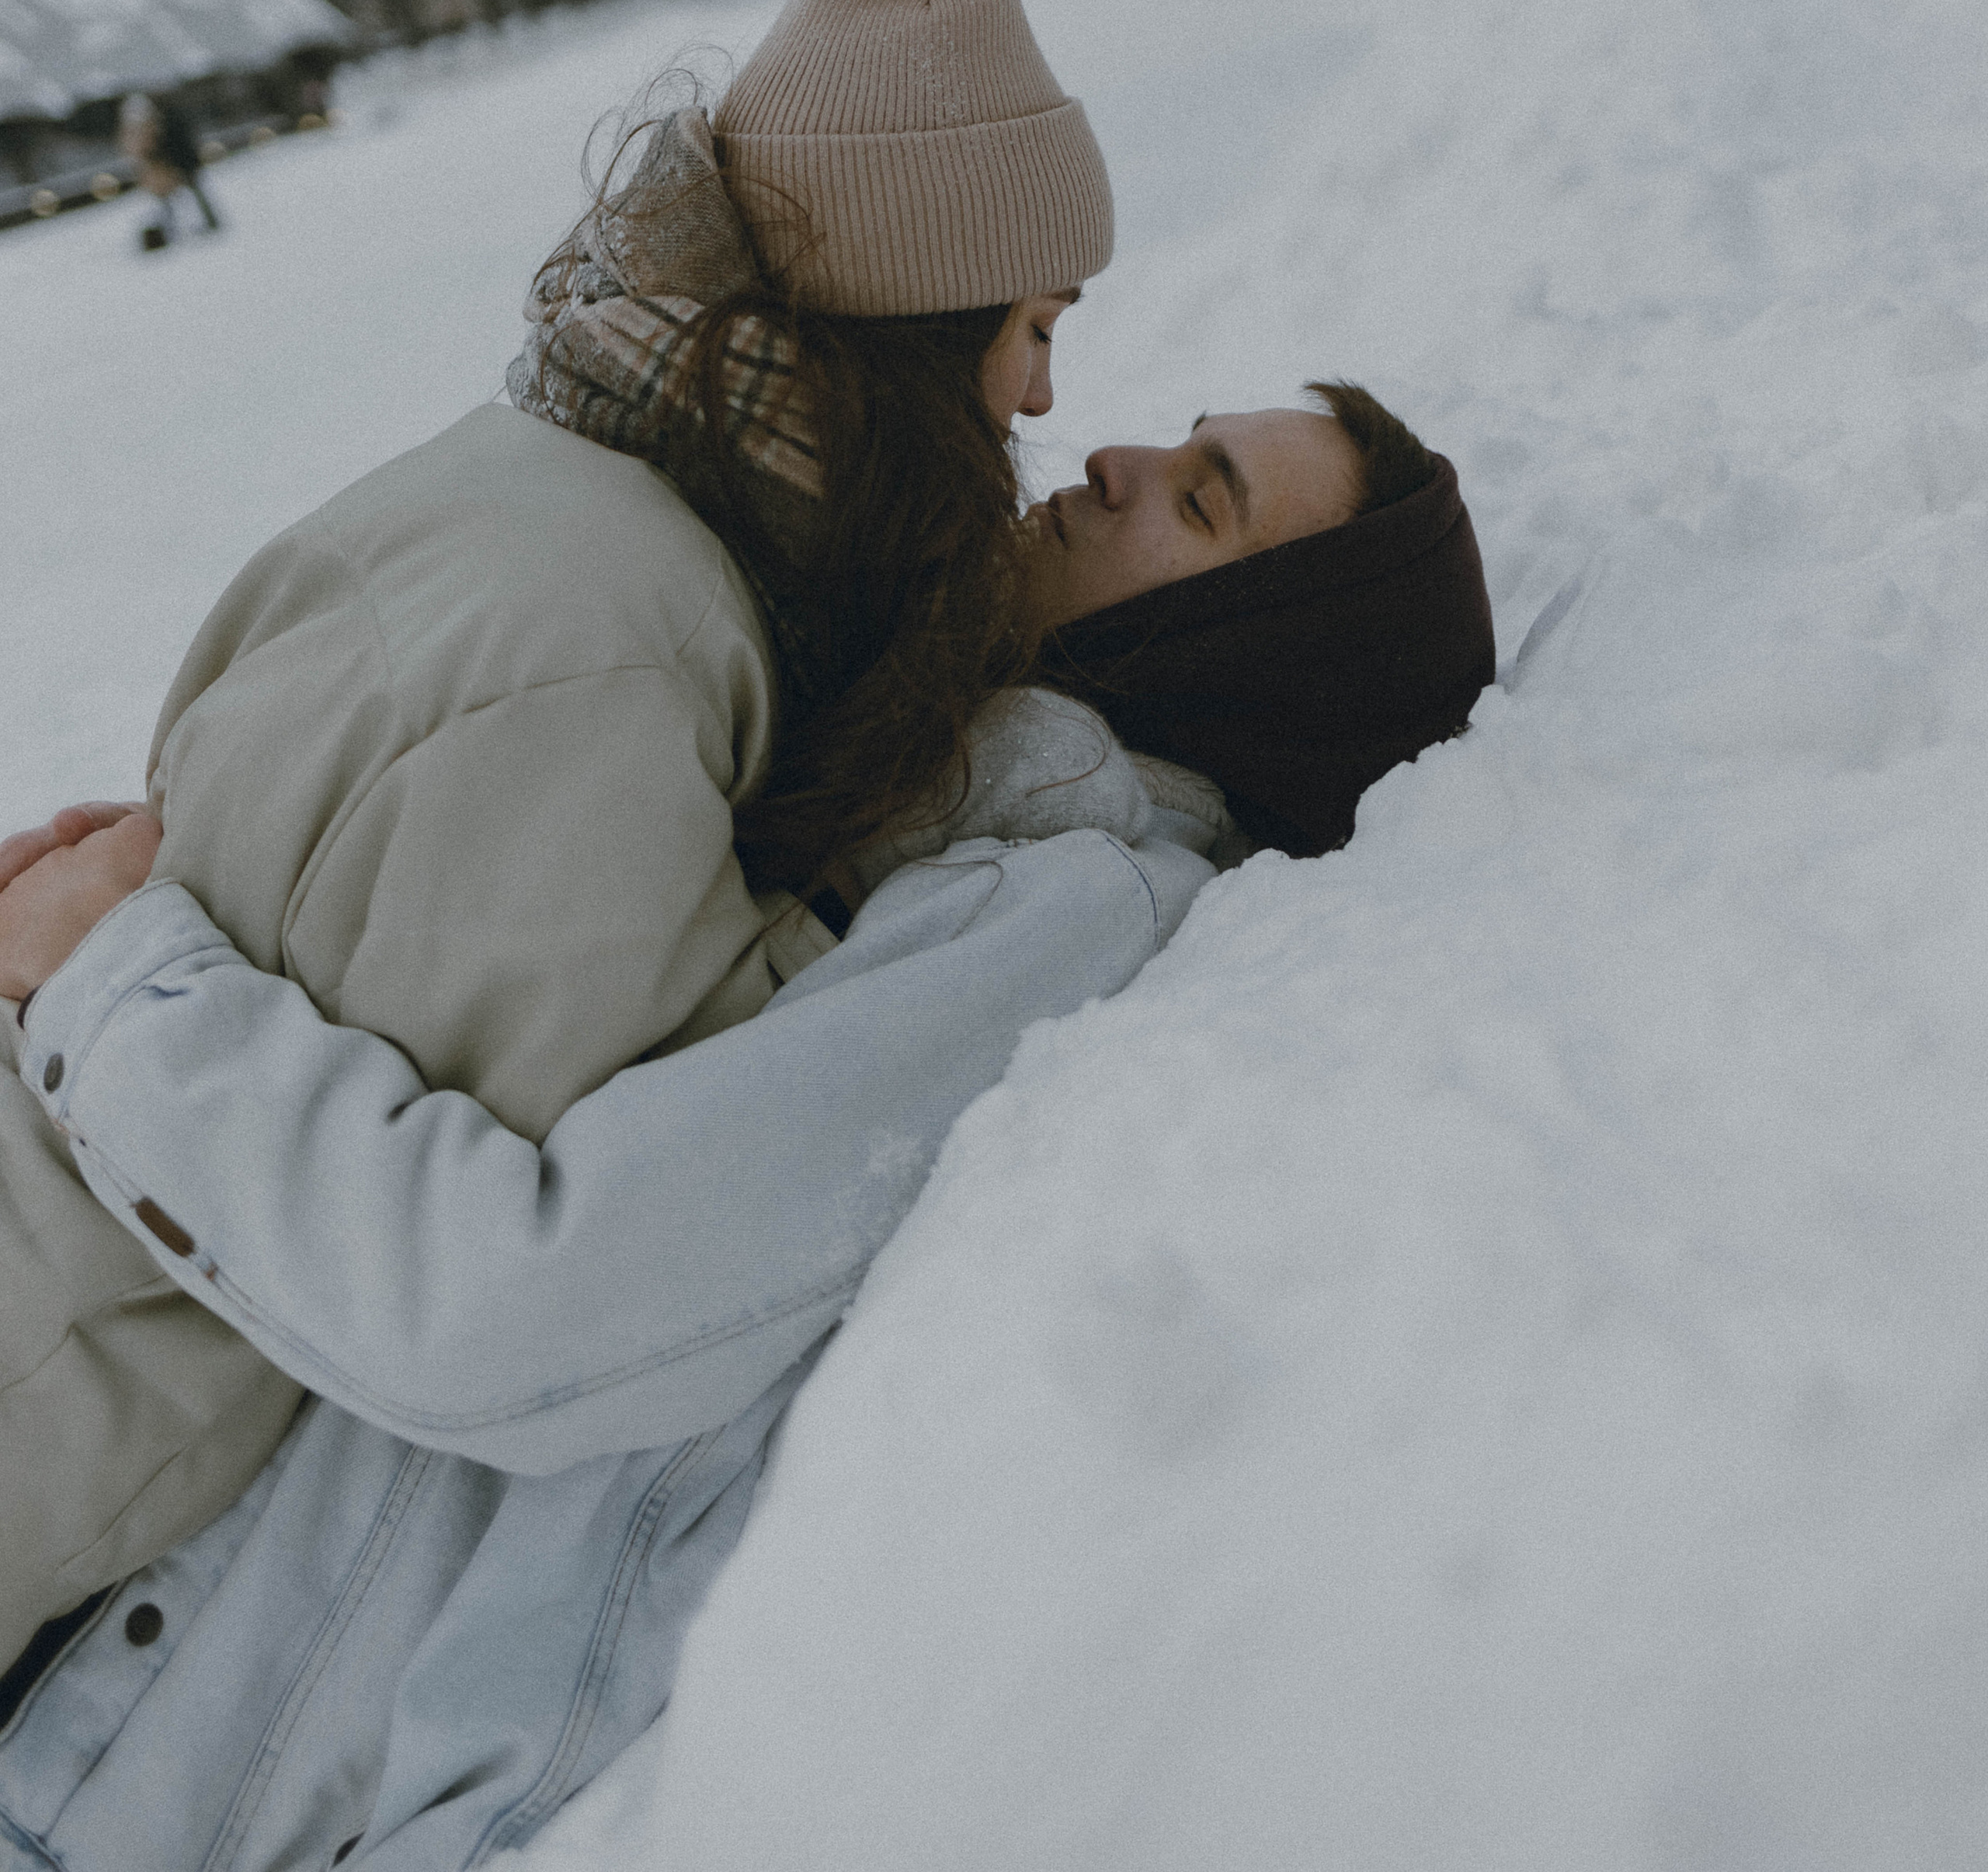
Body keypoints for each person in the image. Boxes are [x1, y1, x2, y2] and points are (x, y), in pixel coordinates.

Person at [0, 380, 1492, 1868]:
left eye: (1202, 498)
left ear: (1260, 660)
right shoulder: (940, 810)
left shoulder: (1072, 910)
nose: (1117, 459)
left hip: (156, 1786)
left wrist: (117, 987)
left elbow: (526, 1305)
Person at [0, 0, 1114, 1678]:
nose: (1047, 402)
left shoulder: (595, 515)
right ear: (920, 323)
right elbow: (513, 1215)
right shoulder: (612, 636)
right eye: (1035, 326)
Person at [117, 92, 223, 250]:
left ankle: (206, 223)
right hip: (168, 168)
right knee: (174, 200)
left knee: (187, 196)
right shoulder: (155, 126)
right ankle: (178, 229)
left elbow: (169, 146)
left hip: (175, 165)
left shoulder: (162, 125)